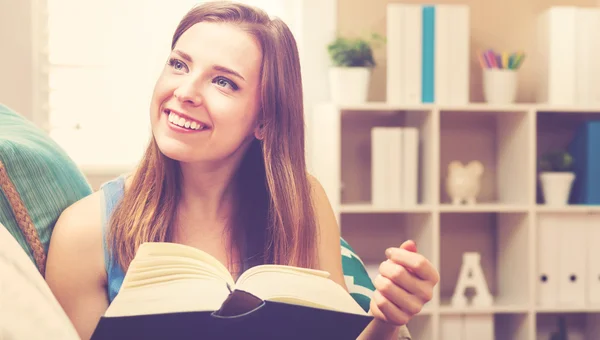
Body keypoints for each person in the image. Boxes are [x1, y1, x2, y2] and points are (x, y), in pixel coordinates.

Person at [45, 1, 440, 339]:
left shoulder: (302, 204)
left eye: (223, 82)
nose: (184, 92)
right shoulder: (85, 233)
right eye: (178, 65)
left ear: (264, 120)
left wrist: (388, 319)